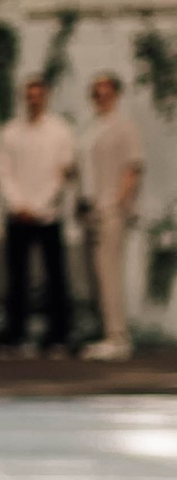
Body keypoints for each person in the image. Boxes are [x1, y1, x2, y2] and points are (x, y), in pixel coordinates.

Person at [0, 72, 78, 353]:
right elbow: (3, 173)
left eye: (38, 94)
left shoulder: (60, 131)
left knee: (55, 277)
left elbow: (61, 173)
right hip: (17, 215)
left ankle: (59, 336)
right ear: (24, 97)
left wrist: (39, 206)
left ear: (46, 97)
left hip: (48, 215)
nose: (33, 99)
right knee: (17, 278)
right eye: (29, 95)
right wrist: (19, 205)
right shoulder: (10, 132)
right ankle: (15, 335)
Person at [79, 70, 144, 363]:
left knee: (110, 273)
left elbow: (134, 167)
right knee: (98, 275)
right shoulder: (95, 126)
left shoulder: (124, 126)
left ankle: (118, 336)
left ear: (115, 93)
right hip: (93, 211)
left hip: (111, 210)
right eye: (95, 90)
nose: (99, 95)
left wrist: (118, 203)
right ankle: (108, 332)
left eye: (104, 90)